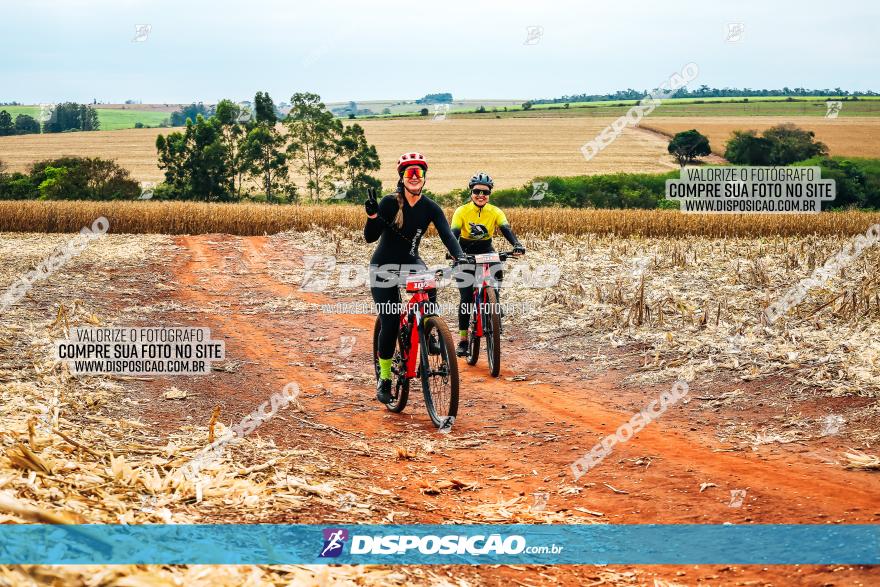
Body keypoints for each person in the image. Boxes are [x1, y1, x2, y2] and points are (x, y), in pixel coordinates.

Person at [364, 152, 467, 404]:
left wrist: (460, 257)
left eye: (418, 173)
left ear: (424, 178)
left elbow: (447, 234)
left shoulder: (431, 207)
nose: (414, 177)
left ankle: (430, 330)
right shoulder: (390, 203)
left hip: (411, 261)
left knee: (429, 283)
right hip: (383, 266)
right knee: (390, 320)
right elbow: (370, 237)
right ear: (402, 177)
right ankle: (385, 378)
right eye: (409, 173)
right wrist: (373, 216)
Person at [450, 172, 525, 357]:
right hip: (464, 252)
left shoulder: (495, 211)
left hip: (487, 250)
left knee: (496, 280)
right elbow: (453, 234)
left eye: (485, 192)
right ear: (471, 192)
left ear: (490, 193)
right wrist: (455, 254)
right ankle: (463, 340)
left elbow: (505, 228)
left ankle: (494, 310)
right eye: (477, 191)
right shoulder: (462, 211)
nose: (481, 195)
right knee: (466, 297)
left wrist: (516, 244)